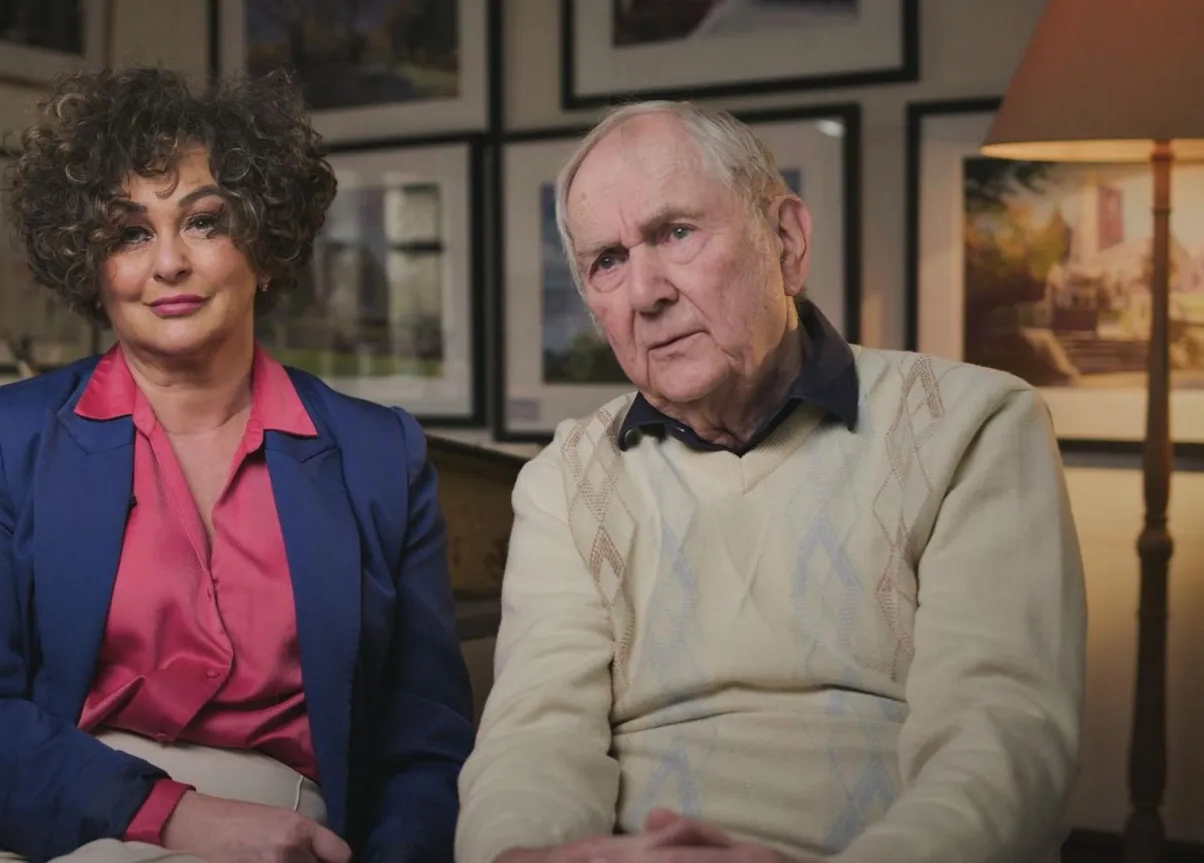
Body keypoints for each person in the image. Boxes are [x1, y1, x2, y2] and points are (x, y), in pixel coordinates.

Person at [0, 67, 474, 863]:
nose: (170, 263)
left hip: (286, 824)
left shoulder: (378, 455)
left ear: (265, 234)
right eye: (130, 233)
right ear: (89, 260)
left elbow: (425, 742)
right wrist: (171, 815)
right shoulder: (2, 437)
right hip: (40, 811)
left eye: (205, 222)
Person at [454, 101, 1086, 863]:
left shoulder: (975, 423)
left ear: (785, 241)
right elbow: (535, 737)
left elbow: (1001, 740)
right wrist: (529, 858)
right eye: (608, 261)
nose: (645, 291)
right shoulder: (565, 480)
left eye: (675, 233)